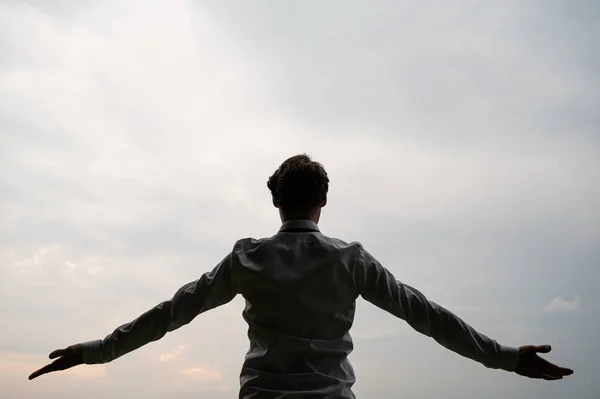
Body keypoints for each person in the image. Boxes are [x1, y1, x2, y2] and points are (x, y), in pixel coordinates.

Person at [29, 154, 573, 398]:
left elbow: (171, 314)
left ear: (274, 200)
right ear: (324, 201)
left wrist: (99, 350)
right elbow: (426, 316)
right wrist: (505, 358)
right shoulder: (349, 259)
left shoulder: (247, 257)